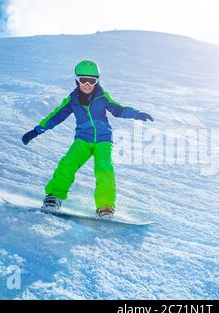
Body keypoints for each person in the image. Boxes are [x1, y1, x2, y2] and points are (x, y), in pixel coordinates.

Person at [22, 60, 154, 218]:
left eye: (92, 81)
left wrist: (136, 114)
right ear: (77, 80)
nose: (87, 84)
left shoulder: (103, 97)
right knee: (67, 163)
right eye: (83, 80)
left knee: (104, 169)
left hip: (103, 140)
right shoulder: (72, 100)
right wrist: (36, 131)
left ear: (97, 81)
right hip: (83, 139)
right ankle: (53, 197)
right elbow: (56, 117)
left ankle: (105, 207)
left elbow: (118, 109)